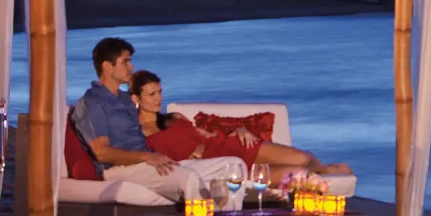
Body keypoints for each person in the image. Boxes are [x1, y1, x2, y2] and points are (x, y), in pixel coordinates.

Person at [71, 37, 246, 202]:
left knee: (234, 166)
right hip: (118, 169)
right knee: (189, 177)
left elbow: (149, 123)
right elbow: (102, 152)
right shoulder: (91, 103)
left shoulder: (125, 99)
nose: (131, 67)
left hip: (146, 163)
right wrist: (147, 156)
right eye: (125, 62)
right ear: (107, 66)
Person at [131, 69, 351, 176]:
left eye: (159, 92)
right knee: (297, 173)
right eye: (151, 94)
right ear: (136, 98)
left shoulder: (173, 118)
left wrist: (240, 129)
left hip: (226, 146)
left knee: (303, 158)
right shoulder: (138, 133)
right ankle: (323, 175)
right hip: (213, 166)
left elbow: (207, 133)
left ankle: (326, 171)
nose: (158, 98)